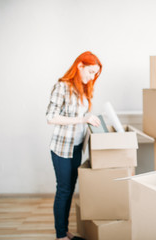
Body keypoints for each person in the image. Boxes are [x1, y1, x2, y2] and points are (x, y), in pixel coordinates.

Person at [46, 51, 102, 240]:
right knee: (63, 189)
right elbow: (51, 118)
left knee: (70, 188)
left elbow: (83, 118)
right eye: (90, 72)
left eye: (95, 73)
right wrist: (82, 118)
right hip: (62, 149)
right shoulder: (62, 86)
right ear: (79, 66)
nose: (92, 76)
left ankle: (64, 230)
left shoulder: (83, 88)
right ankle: (60, 235)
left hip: (76, 147)